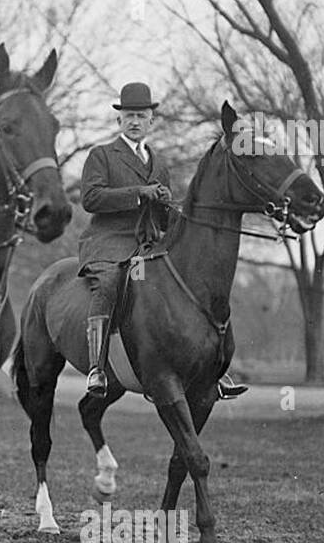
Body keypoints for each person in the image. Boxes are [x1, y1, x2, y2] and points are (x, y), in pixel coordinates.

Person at [77, 82, 247, 400]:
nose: (135, 121)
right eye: (129, 115)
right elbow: (91, 197)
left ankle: (214, 371)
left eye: (141, 116)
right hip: (109, 241)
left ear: (151, 120)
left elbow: (165, 218)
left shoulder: (160, 164)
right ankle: (97, 367)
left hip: (150, 243)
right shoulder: (101, 156)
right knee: (113, 280)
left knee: (195, 284)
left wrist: (170, 206)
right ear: (119, 120)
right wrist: (139, 194)